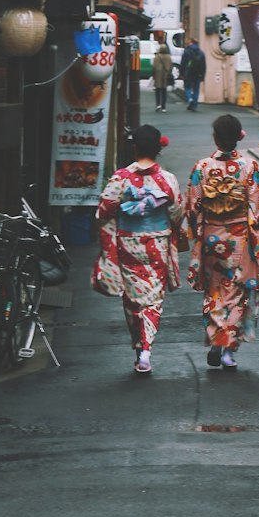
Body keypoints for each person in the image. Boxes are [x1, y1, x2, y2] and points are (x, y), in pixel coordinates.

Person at [186, 112, 259, 371]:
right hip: (239, 238)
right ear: (239, 137)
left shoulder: (202, 167)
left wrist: (198, 232)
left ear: (215, 138)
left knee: (215, 291)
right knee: (236, 292)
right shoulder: (249, 167)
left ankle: (217, 338)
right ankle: (228, 351)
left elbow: (193, 206)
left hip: (213, 236)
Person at [93, 125, 185, 375]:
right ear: (159, 149)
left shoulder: (121, 177)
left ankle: (139, 347)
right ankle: (145, 349)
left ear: (135, 148)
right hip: (157, 242)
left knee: (133, 298)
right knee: (153, 299)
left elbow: (103, 210)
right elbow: (177, 213)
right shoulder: (167, 179)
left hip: (128, 243)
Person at [180, 38, 207, 111]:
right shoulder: (201, 53)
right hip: (198, 73)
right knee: (196, 89)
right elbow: (204, 65)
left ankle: (190, 99)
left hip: (188, 72)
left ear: (191, 43)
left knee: (187, 87)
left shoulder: (187, 51)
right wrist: (203, 75)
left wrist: (181, 73)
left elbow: (183, 63)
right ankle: (194, 105)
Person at [152, 33, 173, 112]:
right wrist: (169, 71)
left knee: (158, 90)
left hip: (158, 75)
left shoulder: (157, 57)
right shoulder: (169, 57)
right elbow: (171, 66)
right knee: (164, 91)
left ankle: (158, 105)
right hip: (165, 75)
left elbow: (154, 66)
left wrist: (153, 74)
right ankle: (164, 107)